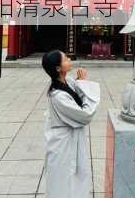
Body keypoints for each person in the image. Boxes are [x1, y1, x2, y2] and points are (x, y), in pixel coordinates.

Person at [42, 50, 100, 198]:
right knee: (63, 181)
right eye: (65, 59)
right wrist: (85, 85)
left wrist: (81, 83)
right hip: (64, 144)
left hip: (71, 139)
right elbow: (85, 115)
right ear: (58, 68)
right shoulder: (58, 95)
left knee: (75, 178)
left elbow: (79, 94)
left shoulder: (68, 82)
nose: (69, 59)